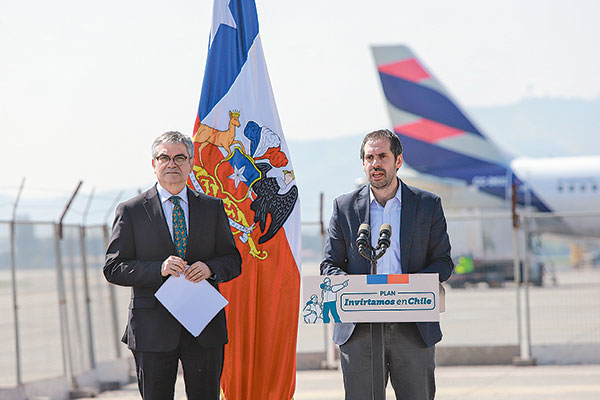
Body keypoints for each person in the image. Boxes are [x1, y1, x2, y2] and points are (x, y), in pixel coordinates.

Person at [104, 131, 242, 400]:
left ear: (191, 163)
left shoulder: (212, 208)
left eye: (180, 157)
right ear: (153, 164)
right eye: (164, 157)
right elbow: (114, 267)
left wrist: (210, 268)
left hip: (203, 325)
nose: (172, 164)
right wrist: (159, 268)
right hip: (151, 330)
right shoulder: (132, 211)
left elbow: (233, 260)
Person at [320, 129, 453, 400]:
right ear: (363, 163)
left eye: (382, 156)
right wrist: (360, 290)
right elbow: (329, 265)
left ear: (398, 160)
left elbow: (443, 262)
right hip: (359, 329)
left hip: (413, 327)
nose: (375, 164)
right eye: (369, 157)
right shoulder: (345, 207)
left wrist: (408, 289)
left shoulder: (427, 205)